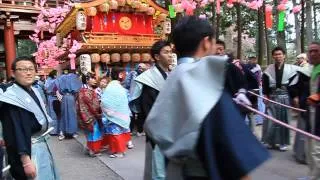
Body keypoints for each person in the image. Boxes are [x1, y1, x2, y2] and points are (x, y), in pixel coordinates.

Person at [144, 16, 269, 180]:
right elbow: (225, 142)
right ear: (206, 42)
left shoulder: (172, 76)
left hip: (176, 168)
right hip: (204, 170)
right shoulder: (203, 78)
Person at [0, 57, 59, 180]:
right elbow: (16, 132)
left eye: (31, 69)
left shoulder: (34, 90)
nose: (28, 72)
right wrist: (25, 161)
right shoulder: (11, 97)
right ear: (13, 73)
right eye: (22, 69)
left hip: (39, 145)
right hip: (27, 151)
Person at [129, 40, 172, 180]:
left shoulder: (171, 75)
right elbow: (149, 112)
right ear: (157, 57)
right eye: (166, 52)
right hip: (158, 132)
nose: (170, 55)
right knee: (158, 170)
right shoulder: (149, 80)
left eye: (171, 52)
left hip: (172, 131)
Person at [262, 46, 300, 151]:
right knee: (270, 120)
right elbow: (265, 84)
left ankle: (283, 142)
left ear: (284, 56)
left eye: (280, 54)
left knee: (284, 120)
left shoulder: (291, 69)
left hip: (285, 97)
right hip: (272, 97)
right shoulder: (269, 69)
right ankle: (270, 141)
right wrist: (265, 95)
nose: (278, 56)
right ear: (273, 56)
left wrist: (295, 97)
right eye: (276, 54)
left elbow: (294, 85)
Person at [101, 68, 132, 158]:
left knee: (115, 134)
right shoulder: (118, 86)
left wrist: (109, 111)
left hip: (113, 114)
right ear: (120, 75)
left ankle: (118, 151)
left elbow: (105, 101)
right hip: (121, 113)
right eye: (124, 74)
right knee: (118, 134)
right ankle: (118, 150)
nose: (125, 76)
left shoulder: (111, 86)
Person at [288, 60, 312, 164]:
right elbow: (292, 85)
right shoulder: (305, 71)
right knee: (304, 130)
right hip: (306, 105)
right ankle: (302, 154)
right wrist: (295, 97)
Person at [305, 42, 320, 179]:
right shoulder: (312, 68)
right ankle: (312, 175)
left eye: (316, 51)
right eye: (310, 51)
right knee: (311, 147)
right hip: (312, 112)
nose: (313, 54)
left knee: (317, 150)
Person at [77, 74, 103, 157]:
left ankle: (89, 148)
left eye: (95, 78)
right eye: (92, 78)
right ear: (87, 80)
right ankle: (93, 150)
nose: (95, 80)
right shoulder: (85, 92)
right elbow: (91, 105)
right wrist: (97, 112)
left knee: (90, 133)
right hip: (89, 115)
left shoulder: (88, 90)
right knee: (93, 133)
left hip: (88, 114)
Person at [55, 69, 82, 140]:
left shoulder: (61, 78)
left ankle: (62, 132)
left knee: (63, 115)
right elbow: (77, 89)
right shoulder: (73, 77)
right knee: (72, 115)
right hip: (71, 98)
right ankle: (73, 132)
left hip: (64, 98)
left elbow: (58, 89)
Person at [44, 70, 60, 135]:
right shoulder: (54, 81)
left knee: (53, 114)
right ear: (54, 75)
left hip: (51, 98)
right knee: (54, 115)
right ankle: (55, 131)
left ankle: (54, 130)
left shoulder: (48, 80)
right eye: (57, 74)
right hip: (53, 98)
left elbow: (46, 89)